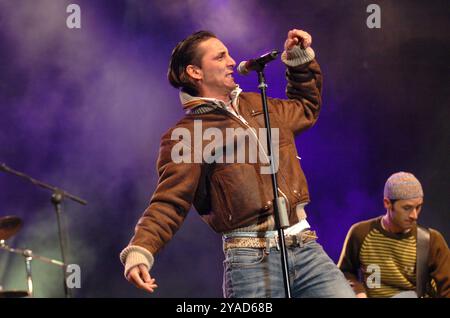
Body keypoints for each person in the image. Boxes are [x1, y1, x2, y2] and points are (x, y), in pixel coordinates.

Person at [120, 28, 355, 297]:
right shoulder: (186, 136)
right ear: (195, 72)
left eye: (229, 55)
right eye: (220, 57)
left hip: (304, 246)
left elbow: (305, 108)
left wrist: (299, 59)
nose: (232, 61)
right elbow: (170, 201)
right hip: (250, 260)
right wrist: (141, 250)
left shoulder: (259, 105)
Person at [338, 172, 450, 298]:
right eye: (407, 208)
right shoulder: (361, 233)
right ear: (387, 203)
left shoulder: (431, 240)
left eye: (418, 207)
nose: (414, 215)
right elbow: (344, 272)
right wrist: (358, 292)